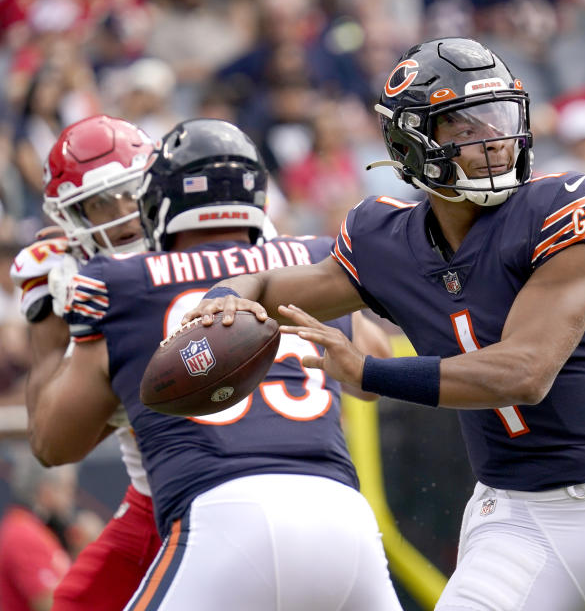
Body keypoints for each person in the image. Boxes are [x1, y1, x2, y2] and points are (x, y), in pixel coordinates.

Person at [185, 37, 585, 611]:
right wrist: (226, 297)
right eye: (466, 125)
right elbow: (267, 285)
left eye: (502, 119)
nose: (495, 140)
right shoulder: (382, 238)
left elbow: (525, 373)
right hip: (518, 518)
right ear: (410, 143)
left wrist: (372, 372)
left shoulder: (559, 204)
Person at [26, 118, 402, 611]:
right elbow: (372, 374)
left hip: (219, 515)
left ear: (154, 204)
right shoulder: (303, 257)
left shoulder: (115, 283)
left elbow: (53, 443)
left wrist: (48, 332)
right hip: (344, 517)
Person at [10, 114, 163, 611]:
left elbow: (55, 443)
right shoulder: (85, 280)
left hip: (212, 485)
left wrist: (51, 335)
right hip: (158, 492)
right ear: (74, 218)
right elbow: (52, 445)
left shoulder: (210, 247)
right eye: (100, 203)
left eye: (129, 193)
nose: (120, 213)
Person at [0, 445, 74, 611]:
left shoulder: (32, 529)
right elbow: (52, 605)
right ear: (47, 492)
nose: (71, 498)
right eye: (67, 488)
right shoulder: (24, 534)